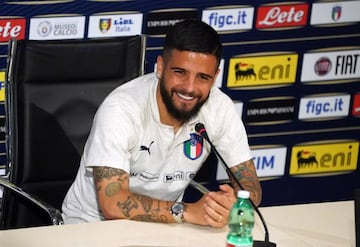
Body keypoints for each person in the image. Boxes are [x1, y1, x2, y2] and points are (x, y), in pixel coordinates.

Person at [62, 19, 262, 228]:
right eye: (180, 72)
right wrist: (187, 211)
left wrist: (236, 203)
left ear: (215, 78)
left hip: (166, 226)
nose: (189, 88)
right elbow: (112, 204)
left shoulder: (220, 108)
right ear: (160, 66)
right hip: (92, 226)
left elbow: (250, 183)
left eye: (203, 77)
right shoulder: (121, 108)